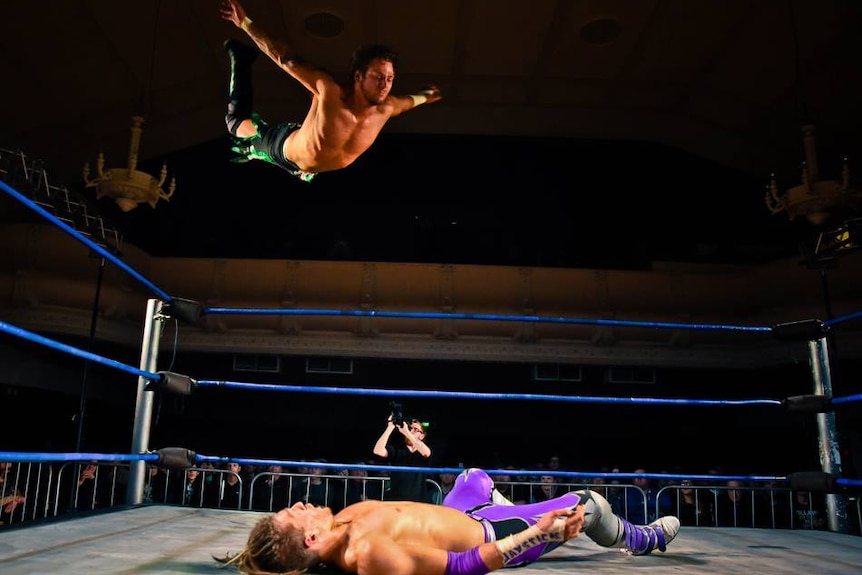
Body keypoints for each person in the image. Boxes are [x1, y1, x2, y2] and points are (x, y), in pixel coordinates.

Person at [217, 467, 680, 574]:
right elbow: (461, 569)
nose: (300, 504)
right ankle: (641, 539)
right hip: (494, 534)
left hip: (463, 514)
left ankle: (505, 504)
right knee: (592, 503)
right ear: (312, 538)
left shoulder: (340, 520)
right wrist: (540, 532)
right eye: (295, 514)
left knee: (472, 475)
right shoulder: (370, 553)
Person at [218, 0, 442, 183]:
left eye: (389, 79)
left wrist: (428, 95)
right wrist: (245, 23)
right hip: (283, 148)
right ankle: (241, 56)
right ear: (358, 76)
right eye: (377, 77)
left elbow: (411, 101)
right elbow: (284, 58)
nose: (384, 85)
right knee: (235, 123)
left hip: (311, 164)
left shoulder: (387, 107)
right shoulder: (330, 92)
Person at [373, 414, 432, 502]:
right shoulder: (397, 449)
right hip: (397, 501)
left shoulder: (422, 451)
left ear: (422, 436)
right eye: (410, 428)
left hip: (418, 502)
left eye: (415, 430)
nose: (411, 431)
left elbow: (426, 452)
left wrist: (406, 432)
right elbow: (378, 451)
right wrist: (390, 427)